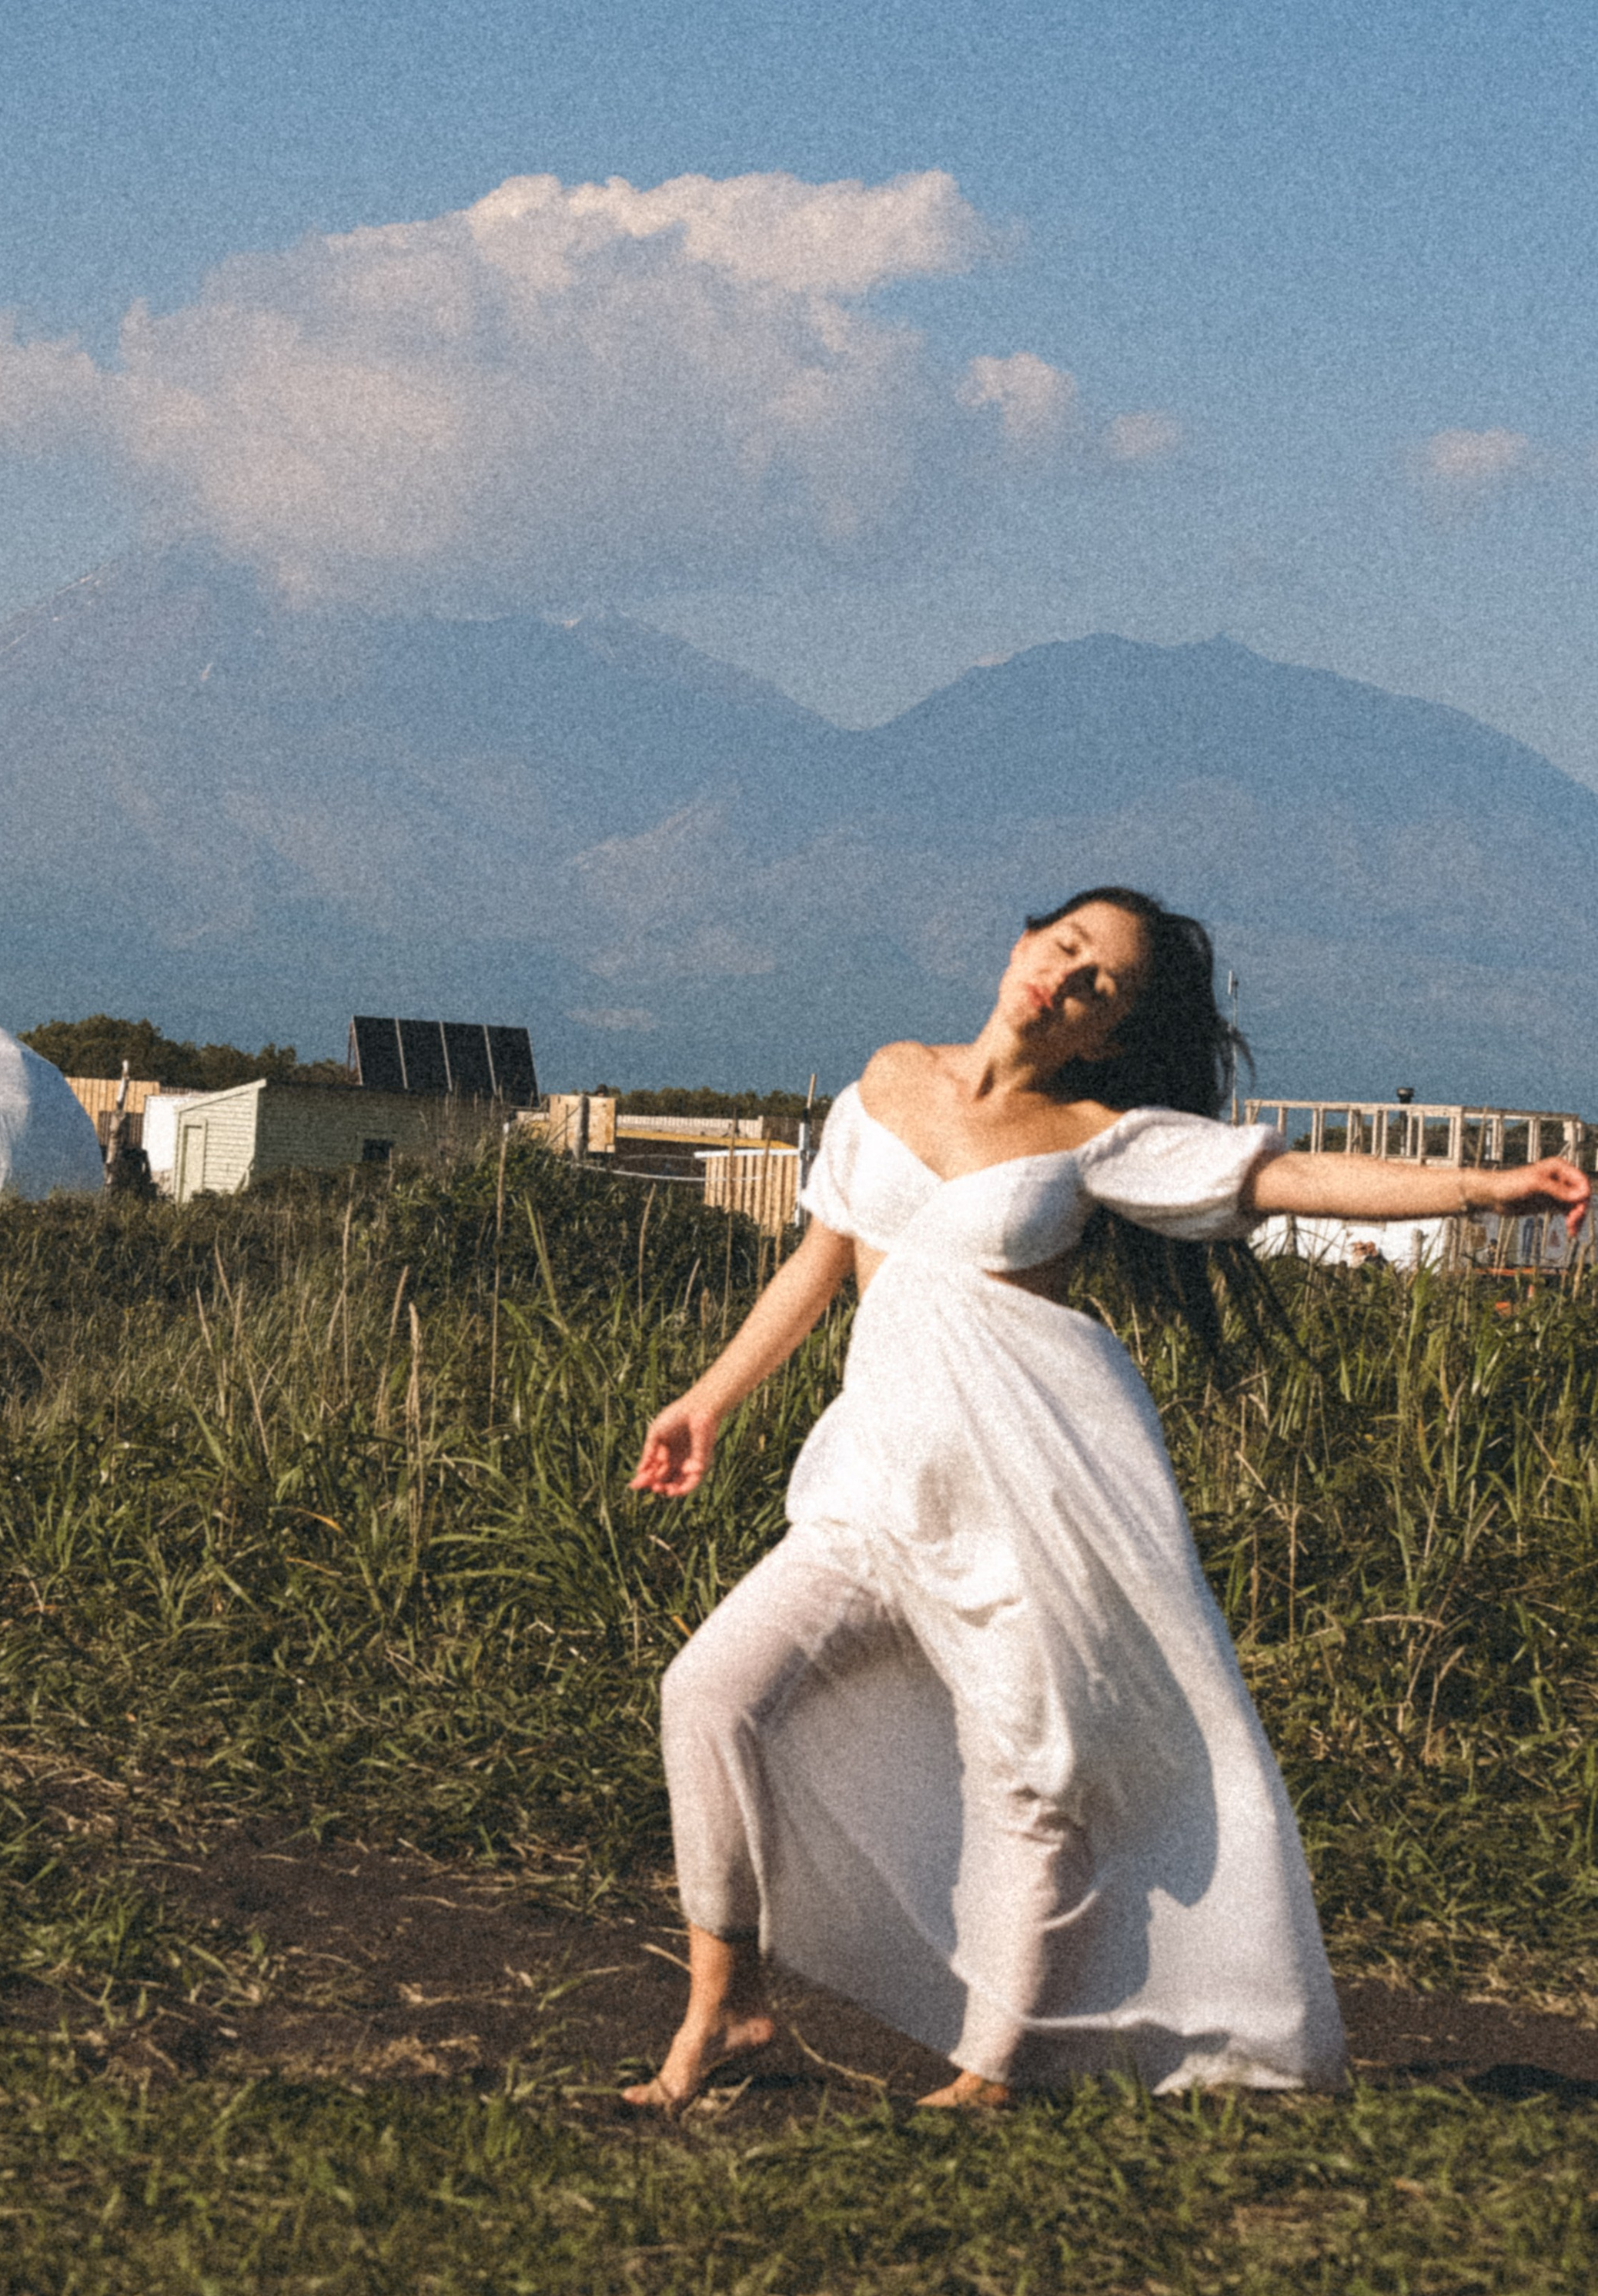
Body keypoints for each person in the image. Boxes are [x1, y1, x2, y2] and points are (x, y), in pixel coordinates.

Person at [627, 890, 1592, 2112]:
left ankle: (995, 2066)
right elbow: (819, 1261)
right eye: (1067, 948)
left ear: (1110, 1034)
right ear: (1022, 941)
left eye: (1103, 987)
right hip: (871, 1496)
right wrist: (708, 1401)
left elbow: (1289, 1176)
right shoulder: (885, 1081)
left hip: (1023, 1515)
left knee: (1038, 1772)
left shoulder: (1098, 1137)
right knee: (710, 1693)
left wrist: (1484, 1192)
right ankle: (728, 2005)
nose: (1069, 980)